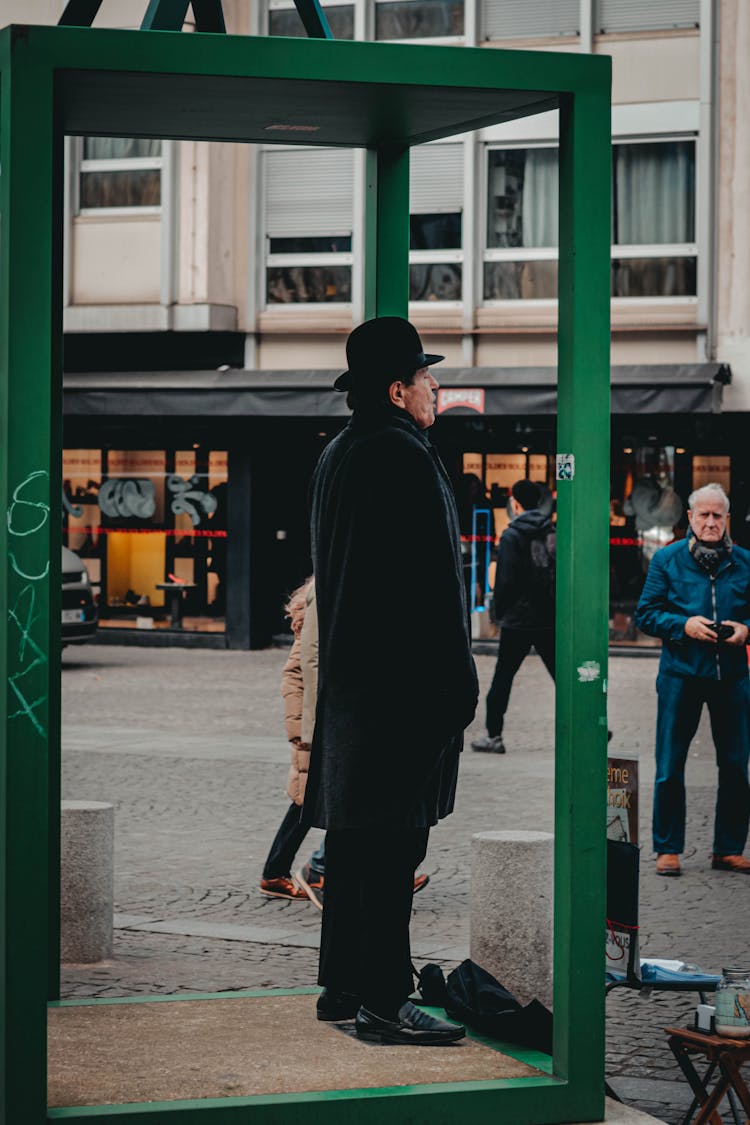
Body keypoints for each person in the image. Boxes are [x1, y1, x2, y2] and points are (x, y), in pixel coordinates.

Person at [305, 315, 478, 1045]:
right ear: (397, 389)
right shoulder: (404, 455)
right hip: (402, 694)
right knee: (392, 849)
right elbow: (434, 585)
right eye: (425, 376)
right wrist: (459, 689)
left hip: (351, 690)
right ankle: (383, 997)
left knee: (352, 847)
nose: (435, 386)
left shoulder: (340, 453)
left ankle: (342, 985)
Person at [635, 482, 750, 877]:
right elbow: (646, 614)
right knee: (670, 764)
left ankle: (728, 849)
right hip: (680, 675)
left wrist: (745, 629)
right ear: (690, 517)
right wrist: (683, 624)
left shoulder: (745, 562)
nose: (711, 522)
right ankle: (668, 849)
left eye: (718, 515)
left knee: (736, 765)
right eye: (704, 514)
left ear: (727, 519)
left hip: (732, 676)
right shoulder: (667, 560)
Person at [471, 479, 555, 755]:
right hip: (547, 617)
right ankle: (592, 725)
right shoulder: (550, 531)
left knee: (503, 678)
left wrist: (499, 612)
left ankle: (493, 735)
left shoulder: (511, 535)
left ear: (515, 502)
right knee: (563, 677)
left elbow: (505, 580)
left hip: (518, 620)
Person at [259, 577, 324, 904]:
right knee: (307, 798)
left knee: (307, 798)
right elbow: (295, 675)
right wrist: (300, 731)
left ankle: (276, 871)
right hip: (310, 727)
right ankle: (299, 870)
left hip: (312, 724)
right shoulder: (314, 617)